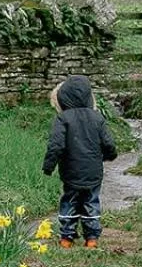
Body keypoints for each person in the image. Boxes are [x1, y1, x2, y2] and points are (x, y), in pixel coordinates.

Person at [41, 74, 117, 247]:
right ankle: (92, 238)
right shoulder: (97, 118)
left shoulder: (63, 118)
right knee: (91, 201)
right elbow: (108, 142)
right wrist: (109, 155)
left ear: (63, 98)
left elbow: (56, 145)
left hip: (70, 170)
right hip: (93, 171)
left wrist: (48, 166)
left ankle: (66, 238)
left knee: (69, 200)